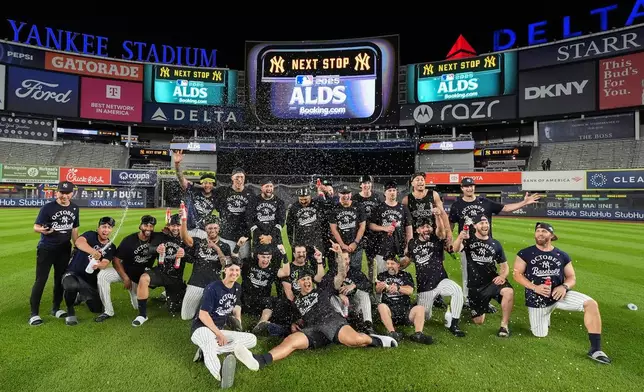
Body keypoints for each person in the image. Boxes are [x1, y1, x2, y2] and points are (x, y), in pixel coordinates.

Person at [233, 243, 397, 372]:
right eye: (303, 280)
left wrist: (340, 255)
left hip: (332, 322)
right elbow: (292, 312)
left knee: (356, 340)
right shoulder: (295, 301)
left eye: (308, 279)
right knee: (291, 341)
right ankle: (259, 361)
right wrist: (294, 322)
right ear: (297, 284)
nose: (307, 281)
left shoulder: (323, 289)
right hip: (314, 329)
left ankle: (377, 340)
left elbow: (340, 275)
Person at [513, 222, 611, 364]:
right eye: (538, 231)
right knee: (540, 335)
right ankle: (545, 318)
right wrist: (535, 287)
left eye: (544, 231)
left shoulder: (562, 255)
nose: (540, 233)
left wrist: (564, 286)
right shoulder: (525, 253)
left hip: (560, 295)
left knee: (591, 304)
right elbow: (517, 275)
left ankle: (595, 349)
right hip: (537, 299)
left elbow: (572, 277)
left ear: (551, 236)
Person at [449, 177, 540, 305]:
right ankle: (467, 299)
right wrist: (450, 240)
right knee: (468, 273)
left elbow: (506, 208)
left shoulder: (484, 202)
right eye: (466, 186)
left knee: (489, 272)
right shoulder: (457, 205)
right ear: (462, 188)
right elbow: (451, 224)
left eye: (471, 186)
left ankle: (486, 297)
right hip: (467, 245)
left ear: (474, 187)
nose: (469, 188)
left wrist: (524, 202)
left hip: (486, 243)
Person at [190, 258, 258, 388]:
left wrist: (238, 320)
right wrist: (219, 335)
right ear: (225, 270)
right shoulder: (213, 288)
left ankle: (205, 351)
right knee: (209, 343)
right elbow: (203, 315)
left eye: (237, 270)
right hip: (201, 328)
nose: (234, 272)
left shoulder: (237, 288)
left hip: (218, 329)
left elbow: (235, 305)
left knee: (251, 339)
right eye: (231, 269)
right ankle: (220, 374)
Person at [403, 214, 465, 337]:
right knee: (425, 316)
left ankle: (454, 324)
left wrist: (438, 216)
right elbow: (408, 259)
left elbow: (441, 231)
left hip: (440, 280)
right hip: (425, 286)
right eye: (422, 227)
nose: (426, 229)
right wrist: (396, 266)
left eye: (428, 226)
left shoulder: (435, 238)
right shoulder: (412, 243)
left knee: (457, 290)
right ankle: (413, 306)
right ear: (417, 230)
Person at [452, 214, 514, 337]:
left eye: (486, 223)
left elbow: (504, 265)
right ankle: (479, 305)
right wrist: (459, 238)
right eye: (481, 223)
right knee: (478, 321)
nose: (485, 225)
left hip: (492, 281)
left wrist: (502, 276)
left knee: (508, 292)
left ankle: (504, 326)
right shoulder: (468, 240)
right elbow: (455, 249)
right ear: (475, 226)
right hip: (475, 286)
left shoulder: (495, 244)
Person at [29, 180, 80, 326]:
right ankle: (34, 314)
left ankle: (56, 308)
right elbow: (36, 227)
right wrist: (44, 230)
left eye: (67, 193)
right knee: (41, 280)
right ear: (57, 192)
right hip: (47, 248)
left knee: (60, 280)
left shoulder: (75, 209)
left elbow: (74, 229)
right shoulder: (48, 207)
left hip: (64, 249)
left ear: (72, 193)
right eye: (61, 192)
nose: (64, 196)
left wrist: (76, 246)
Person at [95, 215, 158, 322]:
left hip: (140, 276)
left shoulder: (156, 238)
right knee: (103, 275)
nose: (148, 228)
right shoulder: (129, 240)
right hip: (124, 271)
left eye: (151, 226)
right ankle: (108, 311)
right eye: (145, 225)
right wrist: (125, 278)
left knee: (137, 306)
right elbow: (116, 260)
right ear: (140, 226)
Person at [131, 214, 187, 327]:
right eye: (172, 225)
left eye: (178, 225)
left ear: (182, 226)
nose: (175, 228)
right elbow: (147, 250)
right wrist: (156, 249)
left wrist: (185, 254)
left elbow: (192, 258)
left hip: (175, 277)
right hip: (160, 271)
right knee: (144, 278)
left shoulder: (185, 239)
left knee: (174, 309)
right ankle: (142, 315)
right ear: (168, 226)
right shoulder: (161, 236)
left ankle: (174, 293)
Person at [61, 217, 117, 325]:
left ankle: (81, 296)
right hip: (74, 273)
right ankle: (70, 311)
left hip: (89, 281)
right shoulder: (90, 235)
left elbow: (105, 263)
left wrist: (99, 265)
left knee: (97, 309)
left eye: (109, 227)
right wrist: (93, 251)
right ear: (98, 228)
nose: (106, 230)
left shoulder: (111, 247)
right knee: (71, 285)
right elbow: (78, 242)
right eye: (103, 227)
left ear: (111, 230)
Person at [180, 213, 232, 320]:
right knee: (186, 316)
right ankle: (201, 306)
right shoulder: (198, 242)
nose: (212, 230)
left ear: (219, 228)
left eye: (215, 227)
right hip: (196, 282)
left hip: (213, 284)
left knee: (216, 315)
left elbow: (226, 265)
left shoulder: (225, 246)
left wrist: (216, 248)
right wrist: (184, 221)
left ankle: (203, 307)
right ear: (205, 228)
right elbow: (185, 238)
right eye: (209, 228)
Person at [376, 256, 434, 344]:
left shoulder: (406, 275)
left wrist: (398, 288)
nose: (389, 266)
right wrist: (380, 286)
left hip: (405, 311)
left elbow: (410, 291)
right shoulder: (382, 275)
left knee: (420, 308)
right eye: (388, 263)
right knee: (381, 306)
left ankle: (418, 334)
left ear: (398, 265)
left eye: (392, 263)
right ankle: (392, 333)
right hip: (390, 312)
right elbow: (377, 290)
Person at [369, 181, 413, 274]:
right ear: (385, 193)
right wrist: (384, 228)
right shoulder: (379, 208)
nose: (392, 192)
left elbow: (409, 228)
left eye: (394, 190)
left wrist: (408, 246)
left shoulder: (403, 208)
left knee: (399, 276)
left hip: (400, 247)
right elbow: (371, 225)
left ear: (397, 192)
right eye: (389, 190)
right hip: (382, 247)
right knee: (382, 275)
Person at [174, 150, 217, 239]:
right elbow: (181, 178)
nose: (207, 185)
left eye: (210, 183)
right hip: (187, 229)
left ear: (213, 185)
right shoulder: (193, 190)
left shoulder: (216, 196)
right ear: (201, 183)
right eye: (205, 183)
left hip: (204, 231)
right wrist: (177, 164)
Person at [214, 167, 255, 259]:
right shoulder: (223, 192)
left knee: (245, 266)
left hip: (244, 237)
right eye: (237, 177)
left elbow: (252, 214)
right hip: (226, 236)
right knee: (227, 267)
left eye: (241, 177)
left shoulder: (250, 193)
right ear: (232, 178)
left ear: (244, 178)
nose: (239, 180)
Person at [328, 185, 366, 271]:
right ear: (339, 194)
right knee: (341, 270)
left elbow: (362, 226)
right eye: (343, 193)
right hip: (340, 247)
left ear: (351, 194)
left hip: (356, 246)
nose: (346, 195)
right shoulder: (334, 209)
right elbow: (333, 229)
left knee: (356, 271)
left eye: (348, 193)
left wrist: (355, 243)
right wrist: (342, 245)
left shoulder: (358, 206)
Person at [351, 175, 381, 282]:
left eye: (368, 183)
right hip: (358, 233)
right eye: (364, 183)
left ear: (371, 184)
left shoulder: (376, 197)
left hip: (372, 234)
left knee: (371, 261)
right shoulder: (355, 198)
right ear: (360, 185)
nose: (366, 185)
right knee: (355, 262)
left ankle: (371, 283)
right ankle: (355, 283)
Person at [285, 188, 328, 260]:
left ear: (310, 196)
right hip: (300, 244)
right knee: (298, 266)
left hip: (316, 242)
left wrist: (324, 239)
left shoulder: (318, 205)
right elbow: (289, 226)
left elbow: (325, 223)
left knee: (318, 266)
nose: (303, 202)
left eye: (305, 199)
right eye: (301, 199)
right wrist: (291, 242)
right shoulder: (294, 207)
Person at [246, 178, 286, 254]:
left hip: (275, 239)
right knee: (259, 263)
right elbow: (249, 220)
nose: (269, 189)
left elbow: (281, 221)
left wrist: (270, 237)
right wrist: (261, 236)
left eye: (271, 186)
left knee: (276, 264)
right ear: (261, 188)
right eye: (267, 186)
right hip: (258, 239)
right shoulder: (254, 201)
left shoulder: (279, 202)